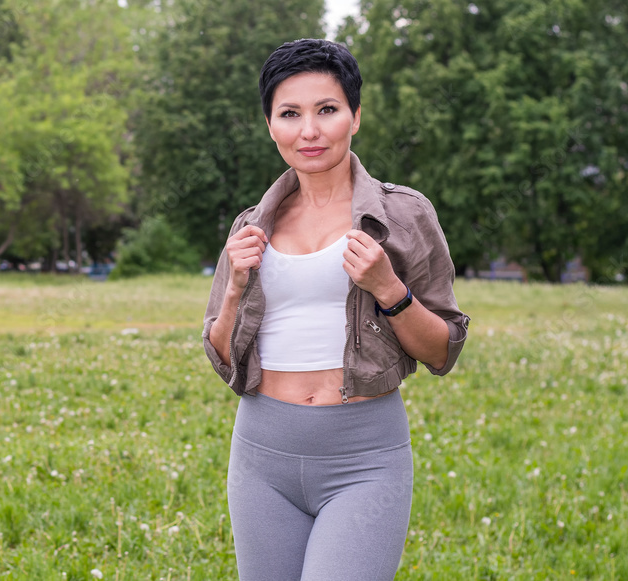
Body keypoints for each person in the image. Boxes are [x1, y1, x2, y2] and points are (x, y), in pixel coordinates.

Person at [201, 39, 471, 580]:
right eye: (290, 114)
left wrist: (389, 288)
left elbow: (443, 351)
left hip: (364, 459)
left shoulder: (404, 214)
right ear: (270, 125)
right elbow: (223, 357)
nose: (309, 130)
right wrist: (233, 293)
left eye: (327, 109)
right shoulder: (250, 226)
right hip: (260, 458)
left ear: (356, 117)